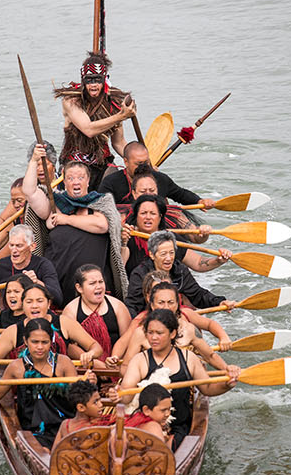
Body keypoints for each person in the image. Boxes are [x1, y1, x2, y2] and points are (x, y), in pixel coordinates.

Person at [21, 142, 129, 306]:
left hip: (94, 285)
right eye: (70, 178)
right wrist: (34, 161)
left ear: (88, 180)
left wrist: (65, 219)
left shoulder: (101, 202)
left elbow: (102, 225)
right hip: (58, 282)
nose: (76, 182)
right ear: (64, 180)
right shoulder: (54, 202)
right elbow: (29, 191)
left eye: (80, 178)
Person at [117, 309, 239, 451]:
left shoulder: (189, 358)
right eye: (150, 333)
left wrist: (227, 384)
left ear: (173, 334)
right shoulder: (140, 360)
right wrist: (119, 395)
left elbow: (208, 389)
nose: (153, 338)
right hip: (147, 422)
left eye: (159, 333)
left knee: (166, 452)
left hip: (178, 425)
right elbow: (127, 392)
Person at [0, 318, 97, 451]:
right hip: (33, 431)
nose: (40, 347)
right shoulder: (16, 367)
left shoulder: (64, 363)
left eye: (45, 342)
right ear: (25, 341)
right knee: (46, 452)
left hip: (65, 425)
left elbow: (76, 396)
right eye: (35, 342)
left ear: (51, 341)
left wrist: (88, 384)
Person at [107, 278, 232, 372]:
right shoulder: (140, 331)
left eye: (171, 302)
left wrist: (227, 370)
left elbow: (210, 356)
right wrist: (115, 359)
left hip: (184, 384)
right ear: (152, 305)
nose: (166, 308)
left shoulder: (188, 328)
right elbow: (126, 365)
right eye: (161, 302)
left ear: (178, 304)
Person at [54, 51, 137, 185]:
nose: (93, 85)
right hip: (74, 165)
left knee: (119, 183)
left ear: (104, 80)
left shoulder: (113, 103)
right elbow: (88, 130)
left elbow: (118, 142)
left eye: (97, 80)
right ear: (83, 81)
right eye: (89, 80)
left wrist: (138, 162)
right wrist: (121, 116)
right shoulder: (71, 101)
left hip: (102, 164)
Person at [0, 282, 102, 368]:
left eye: (40, 301)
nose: (34, 306)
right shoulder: (12, 331)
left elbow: (96, 347)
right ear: (23, 305)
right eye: (29, 302)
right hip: (27, 387)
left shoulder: (64, 323)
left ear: (48, 304)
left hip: (61, 382)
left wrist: (90, 354)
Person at [123, 229, 235, 317]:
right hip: (148, 319)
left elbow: (198, 294)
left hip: (174, 317)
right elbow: (132, 306)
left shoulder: (179, 270)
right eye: (163, 254)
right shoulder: (140, 274)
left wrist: (220, 302)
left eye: (171, 253)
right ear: (152, 255)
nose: (168, 258)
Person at [121, 193, 231, 278]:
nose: (148, 217)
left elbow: (198, 263)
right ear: (136, 216)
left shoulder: (169, 238)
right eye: (143, 213)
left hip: (167, 293)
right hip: (135, 292)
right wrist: (123, 243)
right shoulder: (127, 236)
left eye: (153, 213)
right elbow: (118, 268)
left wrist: (218, 260)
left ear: (160, 217)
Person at [0, 224, 62, 309]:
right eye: (11, 245)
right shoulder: (1, 266)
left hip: (36, 315)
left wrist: (37, 282)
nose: (14, 250)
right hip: (11, 317)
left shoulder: (44, 265)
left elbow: (58, 298)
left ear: (32, 247)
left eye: (19, 246)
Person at [98, 141, 216, 212]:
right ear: (125, 162)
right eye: (139, 163)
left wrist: (199, 201)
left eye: (146, 162)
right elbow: (101, 209)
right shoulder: (111, 182)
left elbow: (180, 194)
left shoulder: (160, 179)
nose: (144, 166)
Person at [59, 264, 132, 369]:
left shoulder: (118, 306)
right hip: (87, 367)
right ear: (79, 288)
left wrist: (114, 360)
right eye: (92, 283)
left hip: (116, 364)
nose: (98, 286)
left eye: (101, 282)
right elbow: (70, 346)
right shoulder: (71, 310)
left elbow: (126, 340)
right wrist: (95, 364)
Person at [50, 380, 109, 448]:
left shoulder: (65, 424)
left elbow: (54, 453)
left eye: (99, 400)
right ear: (81, 407)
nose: (101, 405)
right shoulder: (96, 427)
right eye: (95, 402)